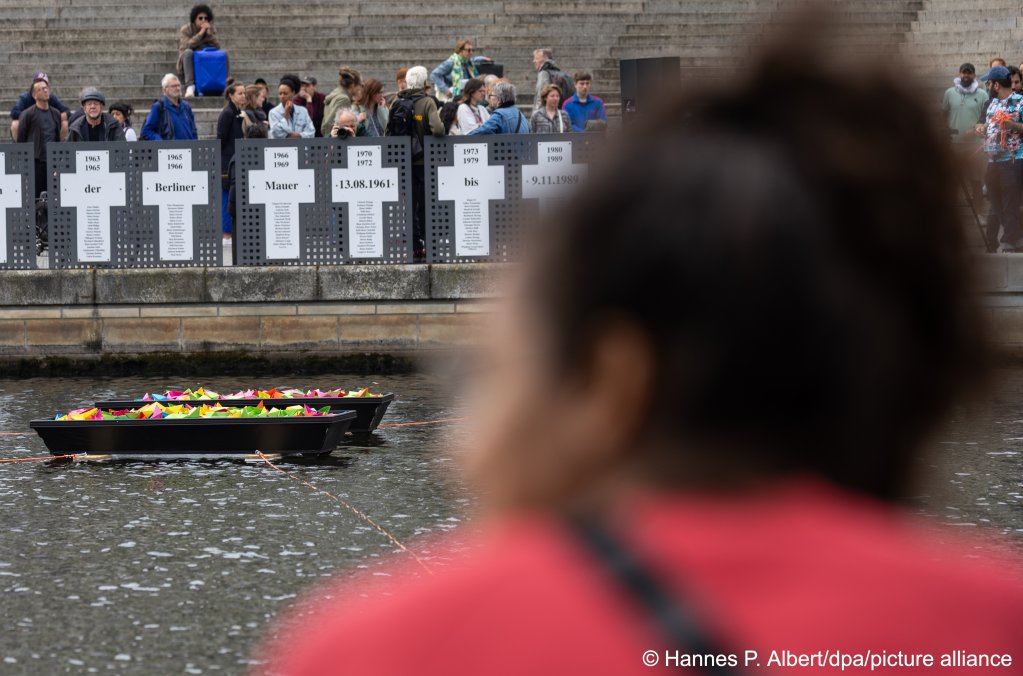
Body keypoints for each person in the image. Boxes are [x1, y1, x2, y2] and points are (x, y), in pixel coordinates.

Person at [265, 39, 1023, 676]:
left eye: (499, 366)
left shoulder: (385, 645)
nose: (467, 438)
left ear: (613, 380)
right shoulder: (997, 621)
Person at [388, 65, 443, 261]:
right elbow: (437, 130)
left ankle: (413, 246)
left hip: (404, 162)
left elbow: (389, 131)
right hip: (424, 161)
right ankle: (429, 245)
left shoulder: (397, 102)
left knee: (409, 205)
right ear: (425, 83)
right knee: (426, 204)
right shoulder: (428, 102)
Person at [975, 65, 1023, 252]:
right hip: (992, 159)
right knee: (992, 195)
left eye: (989, 83)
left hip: (1013, 158)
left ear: (996, 85)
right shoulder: (992, 103)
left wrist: (1011, 124)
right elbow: (986, 125)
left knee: (1010, 199)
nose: (987, 86)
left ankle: (1008, 240)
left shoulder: (1020, 101)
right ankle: (1017, 234)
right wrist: (981, 128)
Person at [943, 63, 988, 209]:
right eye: (963, 72)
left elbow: (986, 118)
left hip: (976, 145)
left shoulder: (982, 94)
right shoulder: (949, 93)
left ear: (974, 75)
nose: (966, 75)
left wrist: (975, 130)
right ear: (959, 74)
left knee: (976, 181)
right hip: (954, 144)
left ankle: (979, 214)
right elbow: (944, 115)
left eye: (969, 73)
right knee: (953, 180)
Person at [16, 77, 64, 198]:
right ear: (34, 95)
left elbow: (57, 136)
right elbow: (21, 139)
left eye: (46, 88)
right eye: (41, 89)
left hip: (52, 162)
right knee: (36, 197)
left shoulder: (56, 113)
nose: (45, 91)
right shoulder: (27, 114)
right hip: (35, 162)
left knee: (53, 197)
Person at [218, 81, 247, 239]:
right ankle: (226, 234)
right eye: (240, 93)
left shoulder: (236, 112)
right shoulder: (227, 113)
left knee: (232, 196)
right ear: (231, 95)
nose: (243, 96)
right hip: (227, 162)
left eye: (244, 93)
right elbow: (221, 139)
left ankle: (231, 232)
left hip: (234, 160)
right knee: (226, 197)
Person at [178, 4, 223, 98]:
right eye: (200, 18)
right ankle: (190, 86)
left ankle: (221, 83)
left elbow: (218, 47)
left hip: (204, 58)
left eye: (206, 18)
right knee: (188, 52)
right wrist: (201, 33)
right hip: (188, 57)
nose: (203, 20)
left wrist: (209, 35)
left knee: (221, 54)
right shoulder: (186, 29)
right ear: (194, 19)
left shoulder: (210, 29)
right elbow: (187, 45)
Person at [10, 72, 69, 140]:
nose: (44, 90)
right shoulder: (25, 98)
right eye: (38, 82)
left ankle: (58, 147)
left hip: (49, 124)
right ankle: (18, 148)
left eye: (45, 86)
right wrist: (29, 117)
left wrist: (56, 117)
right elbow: (14, 112)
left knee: (64, 123)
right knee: (15, 124)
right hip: (29, 124)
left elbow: (66, 111)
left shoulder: (51, 98)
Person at [141, 74, 198, 140]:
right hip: (169, 149)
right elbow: (146, 131)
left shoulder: (186, 106)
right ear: (164, 90)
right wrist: (162, 143)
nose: (177, 88)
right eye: (173, 86)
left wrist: (194, 145)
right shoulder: (159, 107)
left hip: (189, 148)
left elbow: (193, 130)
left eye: (178, 85)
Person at [269, 75, 315, 139]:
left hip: (301, 146)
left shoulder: (303, 111)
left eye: (285, 93)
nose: (282, 96)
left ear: (293, 93)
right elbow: (277, 134)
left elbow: (311, 133)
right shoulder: (273, 112)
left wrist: (298, 136)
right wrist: (286, 115)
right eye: (280, 93)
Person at [321, 67, 362, 138]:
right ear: (353, 85)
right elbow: (329, 124)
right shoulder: (344, 99)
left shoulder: (337, 94)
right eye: (359, 85)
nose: (360, 88)